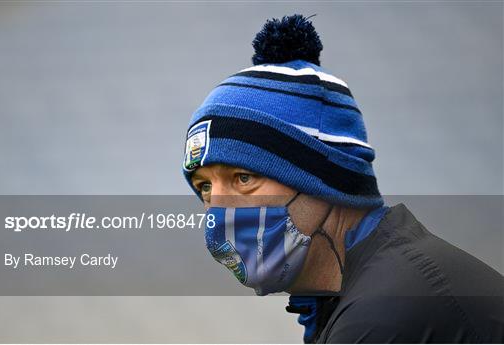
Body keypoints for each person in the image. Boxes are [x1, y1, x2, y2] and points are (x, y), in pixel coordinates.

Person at [181, 14, 504, 343]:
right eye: (205, 187)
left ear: (323, 178)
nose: (218, 209)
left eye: (244, 177)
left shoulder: (384, 315)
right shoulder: (368, 287)